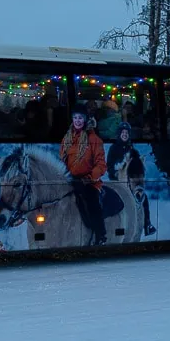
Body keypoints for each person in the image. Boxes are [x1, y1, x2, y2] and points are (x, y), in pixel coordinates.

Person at [59, 103, 107, 245]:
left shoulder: (94, 140)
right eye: (75, 118)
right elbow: (62, 161)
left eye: (80, 118)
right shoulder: (67, 139)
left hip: (88, 182)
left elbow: (101, 165)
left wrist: (89, 178)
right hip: (71, 180)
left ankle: (100, 234)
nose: (78, 121)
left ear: (85, 119)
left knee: (91, 201)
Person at [105, 122, 156, 236]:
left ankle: (147, 224)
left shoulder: (133, 150)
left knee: (144, 198)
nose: (124, 134)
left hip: (132, 184)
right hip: (117, 181)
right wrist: (115, 172)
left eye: (126, 133)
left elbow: (138, 167)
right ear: (119, 134)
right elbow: (109, 166)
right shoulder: (113, 148)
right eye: (122, 132)